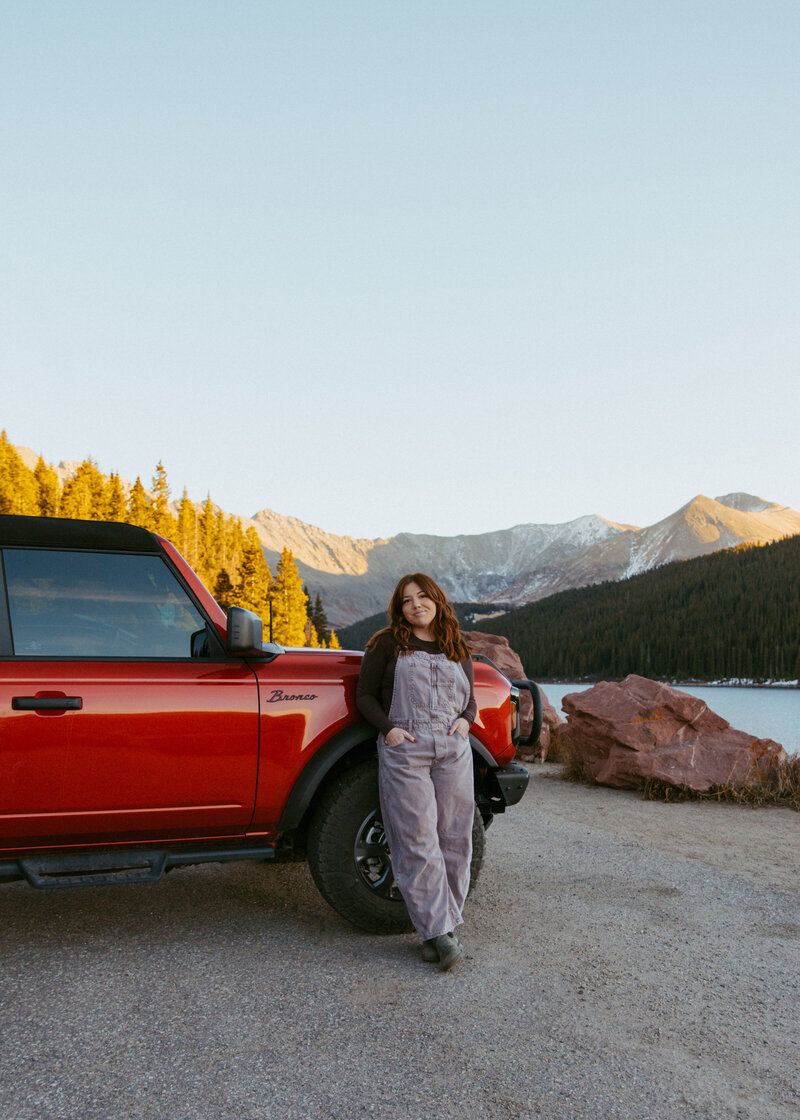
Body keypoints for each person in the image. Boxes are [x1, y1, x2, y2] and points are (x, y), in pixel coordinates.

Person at [356, 572, 477, 970]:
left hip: (452, 749)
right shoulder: (386, 644)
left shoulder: (456, 646)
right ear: (400, 609)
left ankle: (437, 931)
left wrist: (466, 721)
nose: (415, 605)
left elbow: (470, 700)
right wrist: (389, 730)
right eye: (407, 600)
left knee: (455, 838)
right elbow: (366, 696)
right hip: (407, 750)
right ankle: (441, 935)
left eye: (423, 597)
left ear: (437, 601)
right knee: (417, 838)